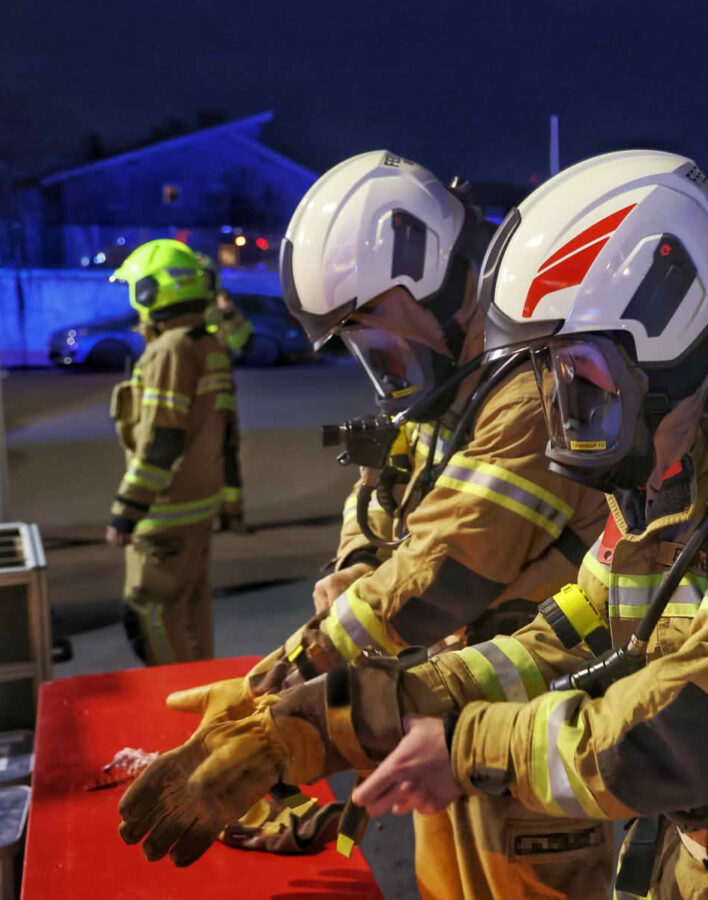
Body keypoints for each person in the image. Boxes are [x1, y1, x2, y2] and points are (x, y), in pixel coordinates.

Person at [117, 149, 708, 899]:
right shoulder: (677, 479)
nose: (566, 414)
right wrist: (338, 716)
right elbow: (562, 640)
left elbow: (693, 727)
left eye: (579, 376)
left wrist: (463, 745)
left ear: (671, 331)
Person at [153, 151, 615, 898]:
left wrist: (268, 692)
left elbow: (440, 572)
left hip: (530, 725)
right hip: (439, 697)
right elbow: (376, 498)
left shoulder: (530, 389)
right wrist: (359, 562)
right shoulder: (443, 386)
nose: (368, 352)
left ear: (427, 276)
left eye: (365, 322)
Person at [107, 239, 237, 664]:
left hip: (164, 515)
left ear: (150, 292)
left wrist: (126, 511)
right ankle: (203, 702)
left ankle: (172, 708)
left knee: (150, 613)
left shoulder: (169, 351)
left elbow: (163, 438)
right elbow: (225, 431)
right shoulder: (208, 344)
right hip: (198, 508)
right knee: (192, 612)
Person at [195, 252, 251, 533]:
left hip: (223, 398)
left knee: (228, 457)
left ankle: (234, 514)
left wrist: (228, 312)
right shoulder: (190, 312)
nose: (203, 282)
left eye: (207, 276)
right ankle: (211, 515)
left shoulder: (222, 306)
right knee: (202, 460)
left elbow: (241, 341)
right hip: (194, 399)